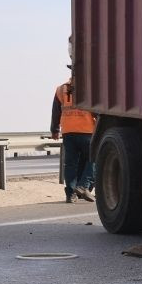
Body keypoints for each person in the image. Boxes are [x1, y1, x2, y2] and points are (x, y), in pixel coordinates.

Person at [51, 73, 97, 203]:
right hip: (87, 130)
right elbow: (97, 111)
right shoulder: (91, 89)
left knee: (70, 164)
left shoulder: (61, 89)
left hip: (68, 131)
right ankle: (83, 186)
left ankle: (71, 194)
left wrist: (55, 130)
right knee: (93, 159)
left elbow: (56, 110)